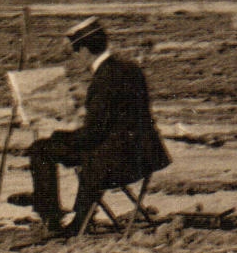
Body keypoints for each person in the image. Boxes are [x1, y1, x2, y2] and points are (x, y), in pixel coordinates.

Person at [12, 18, 170, 236]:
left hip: (118, 160)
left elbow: (92, 136)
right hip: (146, 154)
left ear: (85, 50)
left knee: (41, 149)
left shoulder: (103, 78)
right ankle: (77, 216)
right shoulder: (129, 68)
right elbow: (115, 119)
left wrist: (57, 134)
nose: (75, 60)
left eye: (74, 53)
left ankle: (54, 219)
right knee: (57, 147)